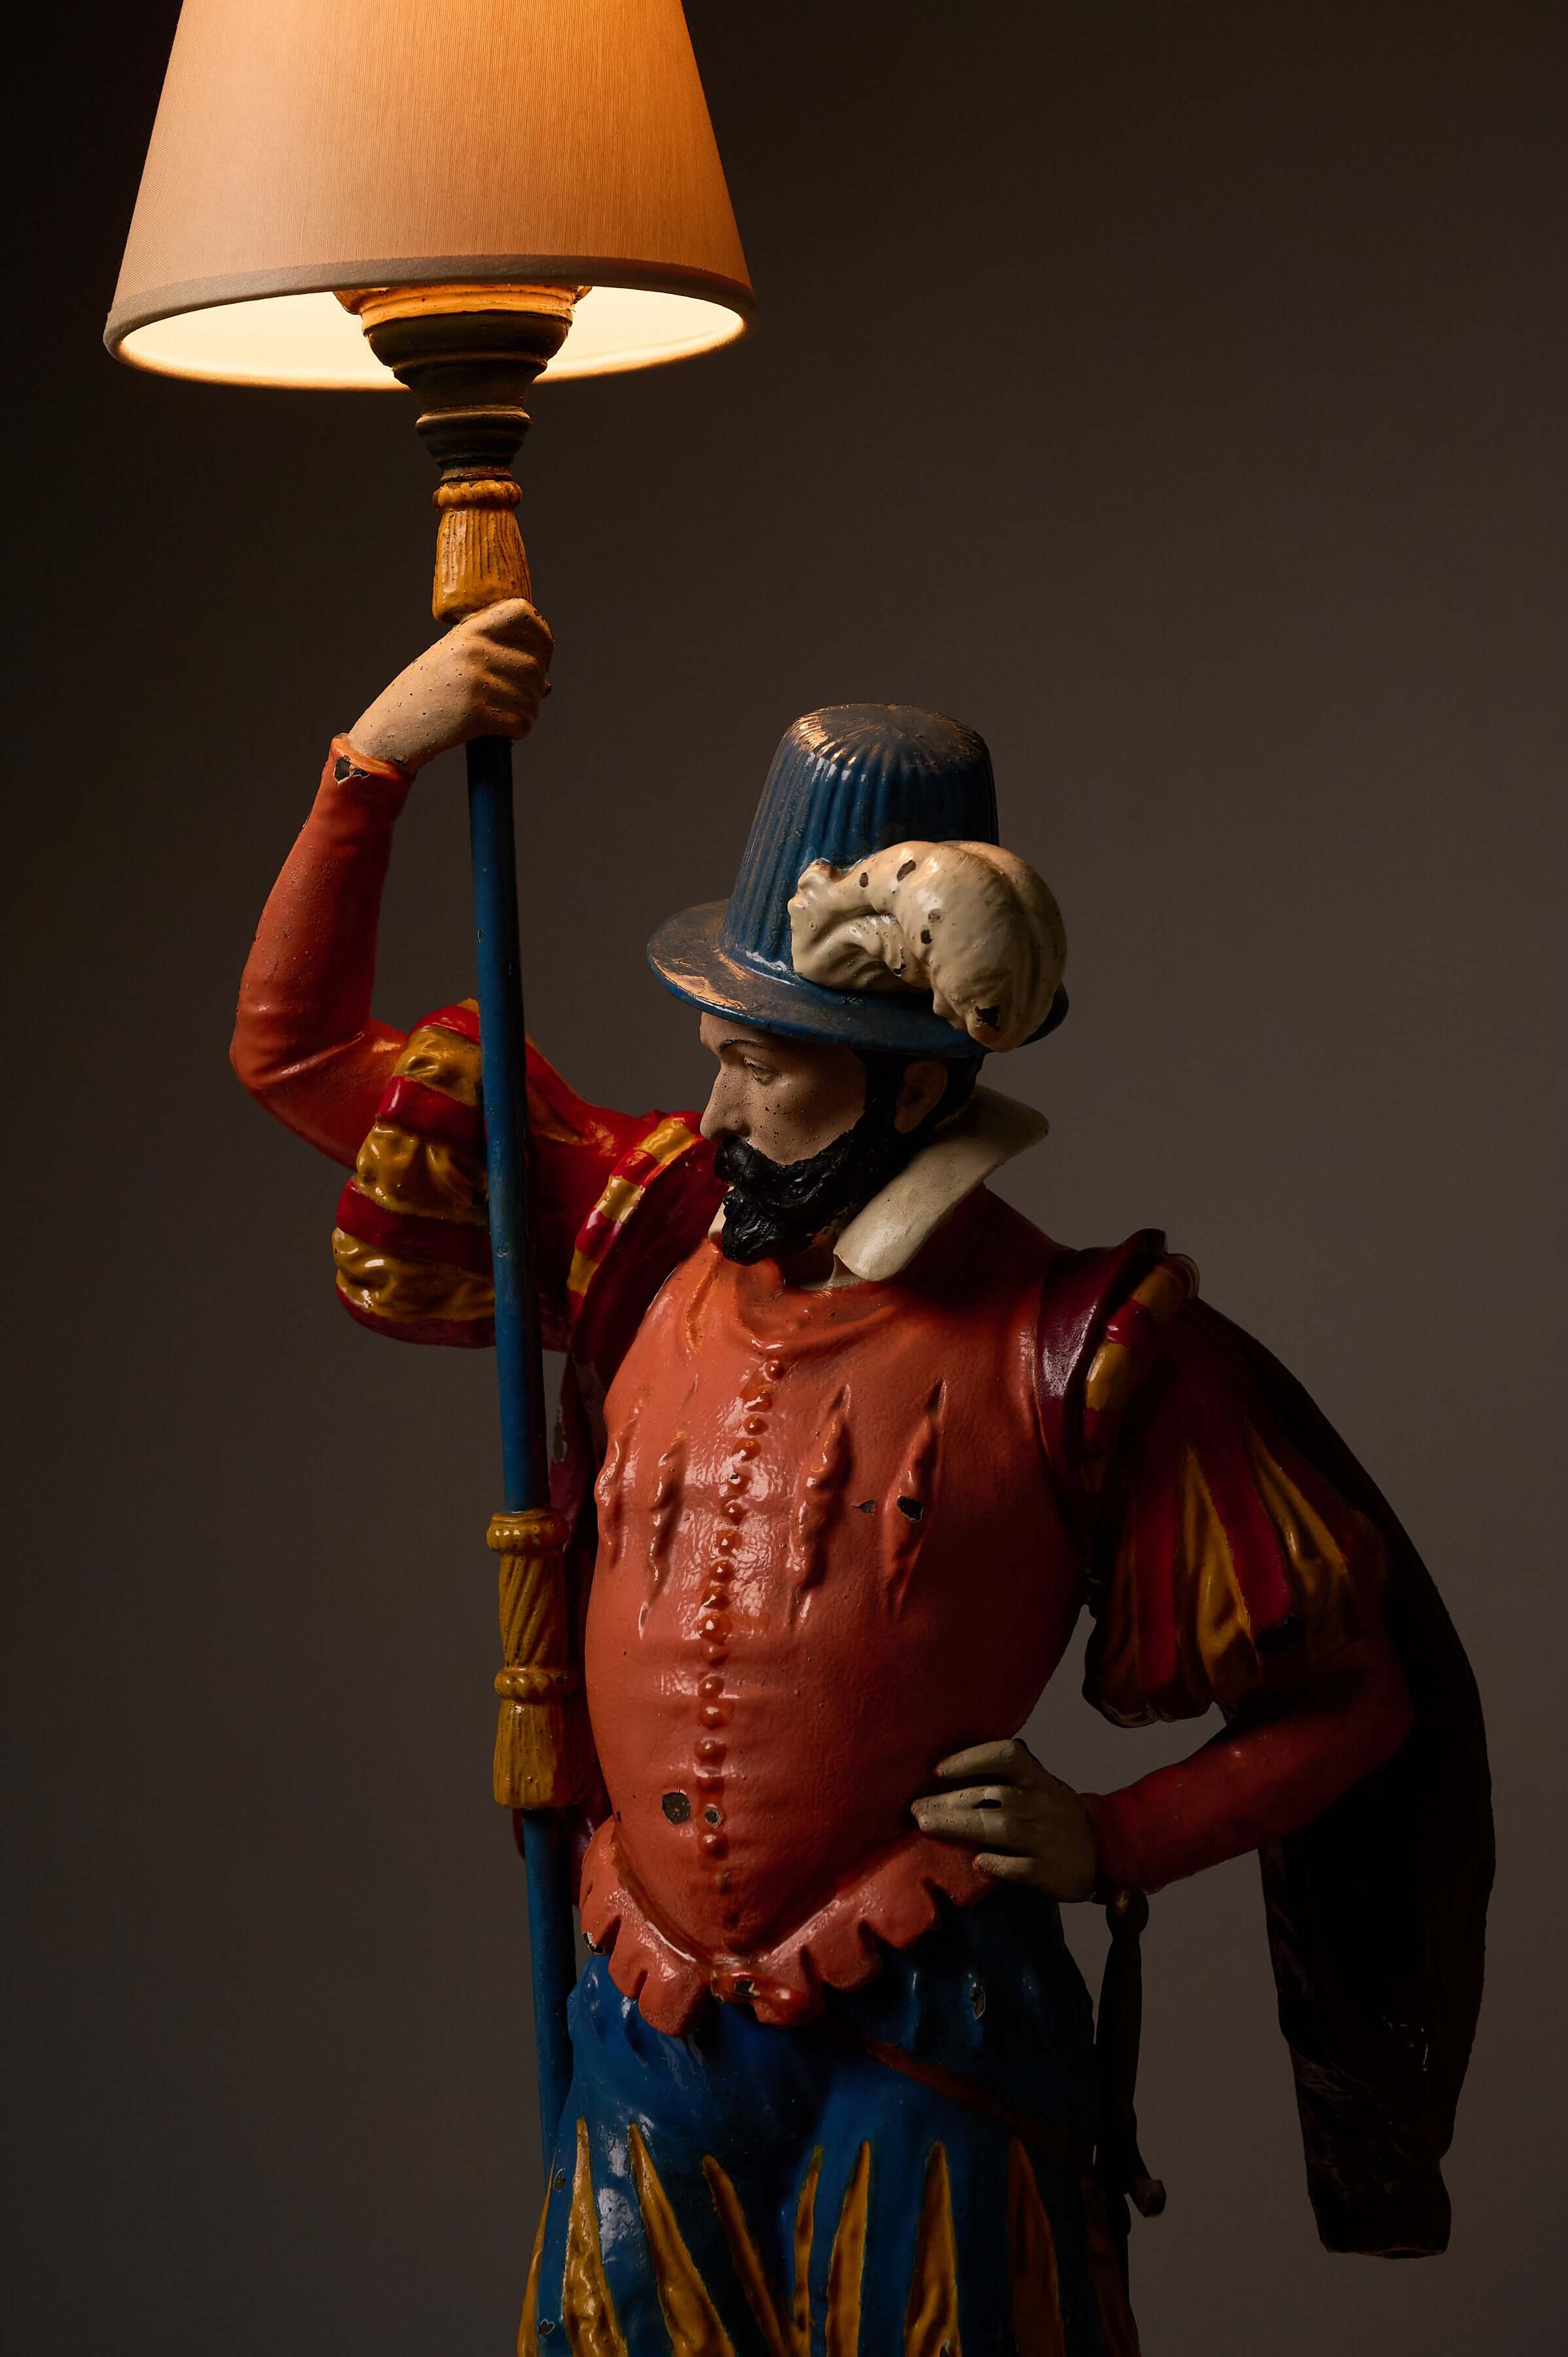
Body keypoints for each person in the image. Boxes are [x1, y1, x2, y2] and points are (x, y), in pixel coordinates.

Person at [232, 602, 1491, 2356]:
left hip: (937, 2044)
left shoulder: (1085, 1346)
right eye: (719, 1049)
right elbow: (293, 1058)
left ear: (911, 1088)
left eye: (769, 1063)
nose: (720, 1101)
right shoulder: (639, 1226)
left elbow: (1353, 1703)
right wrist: (373, 762)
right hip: (643, 2030)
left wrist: (1111, 1836)